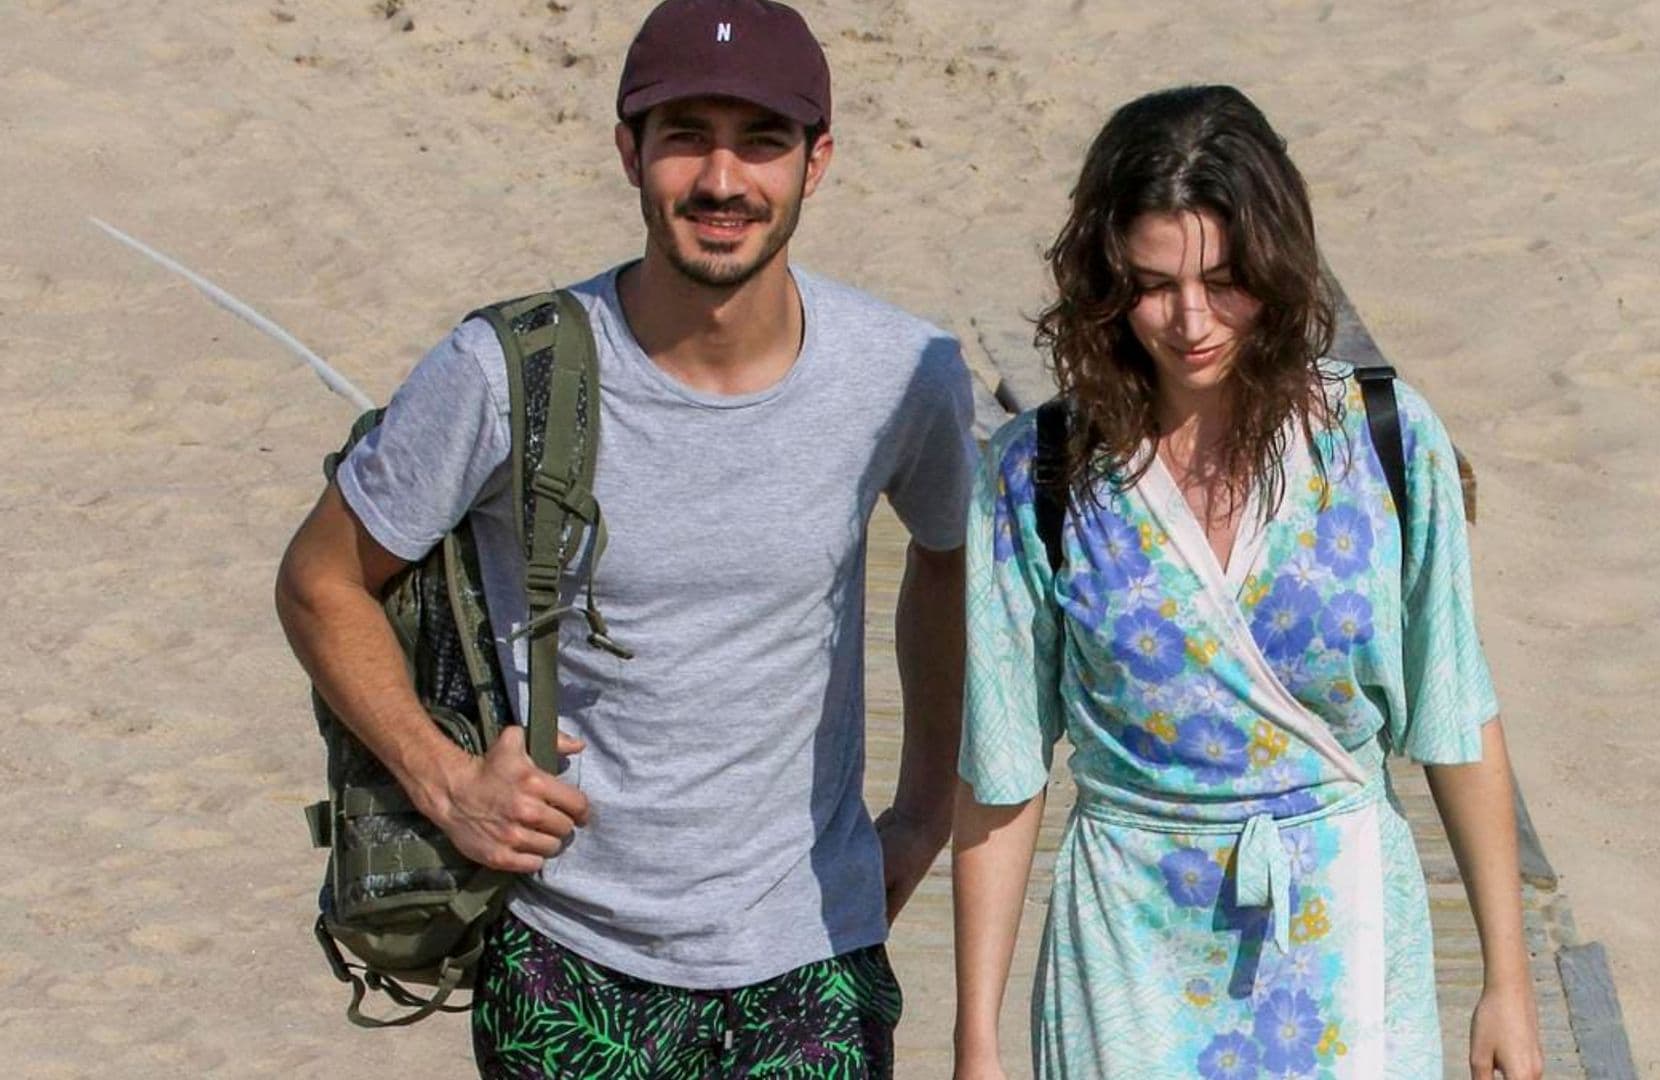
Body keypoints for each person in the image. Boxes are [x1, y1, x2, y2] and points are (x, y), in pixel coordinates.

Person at [275, 0, 974, 1074]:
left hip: (813, 959)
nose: (723, 180)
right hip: (564, 953)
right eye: (686, 134)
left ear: (817, 160)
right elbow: (321, 580)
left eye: (763, 141)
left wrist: (923, 812)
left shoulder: (905, 374)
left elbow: (949, 560)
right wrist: (445, 781)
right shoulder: (502, 369)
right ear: (628, 151)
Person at [951, 85, 1545, 1080]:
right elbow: (1003, 770)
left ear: (1277, 263)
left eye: (1225, 279)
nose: (1190, 321)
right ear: (1104, 278)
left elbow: (1456, 711)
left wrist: (1509, 984)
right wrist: (977, 1041)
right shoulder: (1039, 473)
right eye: (1151, 283)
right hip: (1128, 949)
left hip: (1344, 931)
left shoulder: (1387, 445)